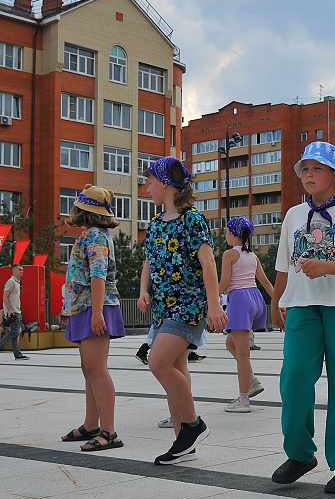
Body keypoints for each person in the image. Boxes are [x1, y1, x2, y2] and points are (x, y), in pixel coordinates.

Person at [270, 141, 335, 494]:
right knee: (294, 377)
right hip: (302, 306)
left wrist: (326, 266)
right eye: (305, 169)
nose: (308, 174)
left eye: (316, 168)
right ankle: (300, 454)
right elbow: (283, 265)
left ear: (334, 175)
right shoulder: (293, 215)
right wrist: (276, 301)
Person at [138, 156, 227, 466]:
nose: (147, 188)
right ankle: (183, 443)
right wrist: (143, 290)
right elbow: (149, 261)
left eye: (150, 182)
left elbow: (208, 262)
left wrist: (214, 304)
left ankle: (193, 425)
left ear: (165, 185)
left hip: (188, 305)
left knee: (157, 361)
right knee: (175, 367)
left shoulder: (193, 220)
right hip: (163, 308)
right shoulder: (155, 224)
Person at [58, 185, 125, 451]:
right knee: (89, 370)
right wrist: (70, 307)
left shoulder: (95, 236)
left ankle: (109, 431)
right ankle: (91, 425)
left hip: (95, 306)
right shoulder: (91, 235)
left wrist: (96, 312)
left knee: (97, 370)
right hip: (84, 306)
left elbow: (98, 275)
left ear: (83, 211)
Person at [219, 216, 275, 413]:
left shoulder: (229, 254)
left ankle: (243, 399)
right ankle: (252, 380)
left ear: (234, 234)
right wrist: (278, 303)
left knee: (243, 354)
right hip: (255, 298)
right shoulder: (252, 255)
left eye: (227, 232)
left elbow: (224, 283)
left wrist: (210, 297)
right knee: (230, 343)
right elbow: (266, 282)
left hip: (240, 300)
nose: (225, 235)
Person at [0, 264, 28, 360]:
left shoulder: (17, 282)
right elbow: (5, 297)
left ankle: (17, 354)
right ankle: (17, 353)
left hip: (16, 311)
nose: (22, 271)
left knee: (15, 333)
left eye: (22, 270)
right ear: (14, 271)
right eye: (19, 270)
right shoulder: (11, 282)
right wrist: (9, 310)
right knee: (14, 333)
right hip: (13, 312)